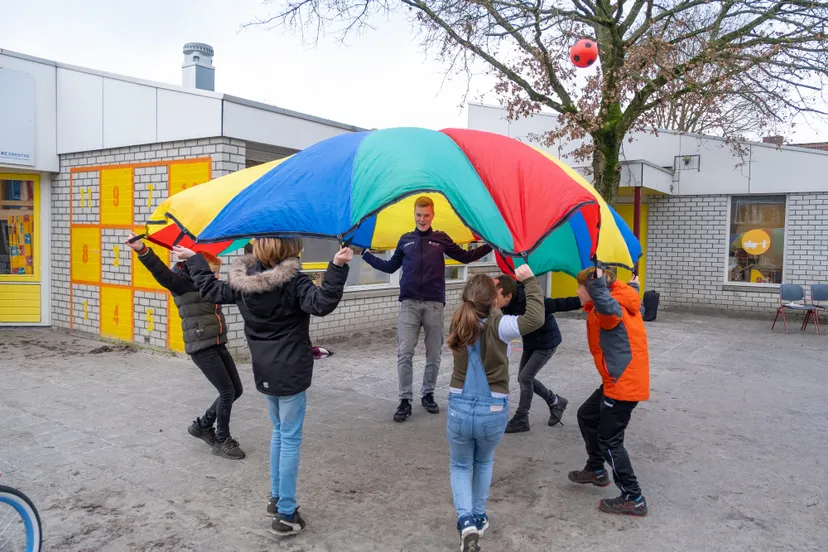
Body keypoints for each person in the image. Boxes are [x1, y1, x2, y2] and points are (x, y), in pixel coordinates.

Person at [172, 238, 352, 536]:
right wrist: (337, 266)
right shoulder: (295, 281)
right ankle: (285, 515)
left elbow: (210, 289)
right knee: (289, 437)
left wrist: (194, 259)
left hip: (264, 369)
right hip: (292, 370)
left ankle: (277, 497)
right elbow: (323, 304)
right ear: (288, 250)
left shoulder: (243, 282)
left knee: (279, 432)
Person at [362, 196, 492, 422]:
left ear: (433, 215)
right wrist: (365, 255)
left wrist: (491, 245)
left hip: (434, 304)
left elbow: (465, 257)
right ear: (414, 215)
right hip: (409, 304)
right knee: (405, 353)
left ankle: (428, 394)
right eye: (419, 215)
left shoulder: (440, 238)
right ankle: (404, 400)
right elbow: (390, 266)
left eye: (426, 215)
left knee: (434, 353)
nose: (422, 219)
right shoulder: (406, 240)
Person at [446, 265, 544, 551]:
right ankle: (479, 515)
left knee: (460, 464)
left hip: (459, 407)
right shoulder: (501, 325)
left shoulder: (457, 320)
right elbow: (535, 318)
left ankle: (466, 522)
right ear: (493, 300)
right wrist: (530, 282)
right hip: (493, 409)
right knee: (483, 462)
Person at [124, 233, 245, 460]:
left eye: (217, 272)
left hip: (218, 342)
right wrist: (142, 249)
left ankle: (202, 426)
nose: (216, 276)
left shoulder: (210, 286)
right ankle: (222, 439)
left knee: (236, 390)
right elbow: (159, 271)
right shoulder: (181, 285)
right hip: (201, 346)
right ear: (196, 270)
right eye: (213, 272)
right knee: (227, 392)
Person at [568, 267, 650, 516]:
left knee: (610, 441)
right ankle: (596, 469)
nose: (576, 292)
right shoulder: (622, 297)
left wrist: (597, 286)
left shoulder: (608, 308)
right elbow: (629, 301)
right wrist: (633, 286)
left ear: (593, 289)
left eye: (580, 287)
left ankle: (633, 496)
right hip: (616, 379)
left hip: (622, 383)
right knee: (586, 414)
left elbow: (610, 310)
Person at [494, 274, 582, 433]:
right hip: (531, 342)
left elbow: (557, 304)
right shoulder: (504, 303)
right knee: (525, 378)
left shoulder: (528, 300)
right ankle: (556, 401)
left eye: (496, 297)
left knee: (525, 378)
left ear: (508, 295)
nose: (494, 301)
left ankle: (522, 418)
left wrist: (582, 301)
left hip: (547, 341)